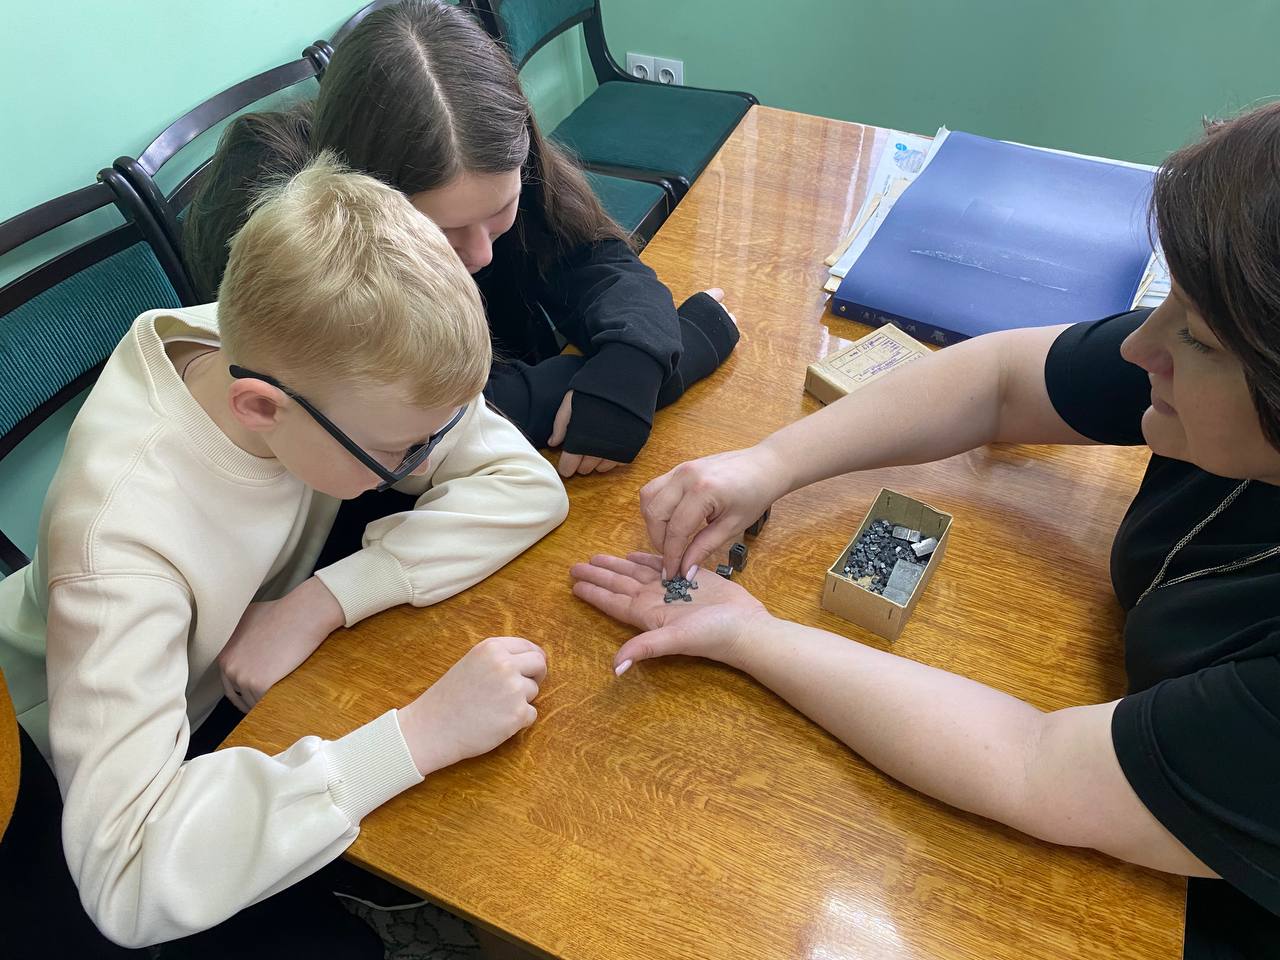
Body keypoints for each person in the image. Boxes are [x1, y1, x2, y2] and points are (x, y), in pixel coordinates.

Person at [572, 101, 1280, 957]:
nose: (1139, 349)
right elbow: (1000, 378)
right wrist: (767, 463)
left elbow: (1035, 765)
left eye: (1194, 336)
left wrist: (747, 634)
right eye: (1169, 304)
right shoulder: (1217, 356)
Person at [0, 157, 568, 955]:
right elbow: (125, 878)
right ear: (260, 409)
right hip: (57, 750)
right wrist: (417, 736)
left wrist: (321, 601)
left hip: (224, 659)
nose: (419, 464)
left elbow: (526, 486)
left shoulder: (306, 350)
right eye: (399, 451)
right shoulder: (119, 547)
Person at [183, 0, 740, 490]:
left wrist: (635, 356)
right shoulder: (293, 232)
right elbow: (415, 427)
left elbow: (589, 257)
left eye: (500, 213)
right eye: (442, 232)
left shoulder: (480, 154)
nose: (481, 255)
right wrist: (674, 354)